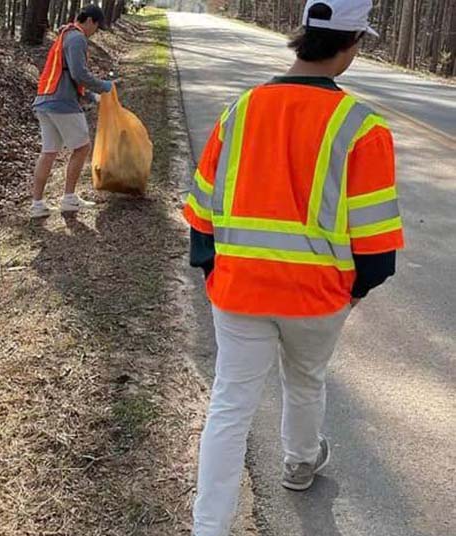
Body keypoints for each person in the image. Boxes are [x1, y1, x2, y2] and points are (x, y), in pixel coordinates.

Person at [183, 1, 404, 534]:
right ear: (351, 46)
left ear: (303, 37)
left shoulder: (240, 110)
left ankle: (208, 527)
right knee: (306, 381)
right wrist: (352, 294)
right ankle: (300, 463)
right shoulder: (363, 127)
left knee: (230, 406)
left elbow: (201, 213)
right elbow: (376, 251)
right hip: (317, 298)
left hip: (238, 293)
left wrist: (213, 271)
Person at [30, 4, 115, 219]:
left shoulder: (64, 36)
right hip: (62, 103)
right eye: (96, 27)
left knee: (48, 152)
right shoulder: (77, 38)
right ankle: (68, 198)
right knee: (82, 147)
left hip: (44, 100)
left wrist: (91, 96)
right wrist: (105, 86)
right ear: (89, 21)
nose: (95, 32)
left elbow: (65, 74)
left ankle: (37, 204)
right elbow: (79, 73)